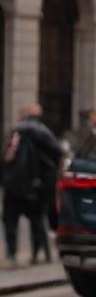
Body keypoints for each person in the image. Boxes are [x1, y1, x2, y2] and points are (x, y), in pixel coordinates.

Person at [2, 104, 63, 267]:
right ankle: (38, 253)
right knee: (36, 221)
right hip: (35, 185)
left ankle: (11, 254)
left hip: (14, 183)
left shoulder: (16, 132)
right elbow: (56, 155)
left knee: (10, 221)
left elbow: (6, 157)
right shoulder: (44, 133)